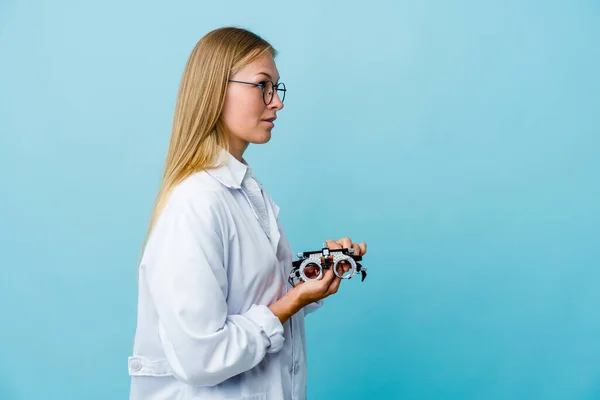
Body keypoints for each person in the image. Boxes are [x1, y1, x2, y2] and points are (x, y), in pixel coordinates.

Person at [127, 26, 367, 400]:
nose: (277, 102)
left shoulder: (242, 191)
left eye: (277, 88)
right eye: (262, 86)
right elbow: (201, 357)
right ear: (215, 89)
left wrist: (311, 276)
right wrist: (293, 302)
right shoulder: (196, 202)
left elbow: (255, 297)